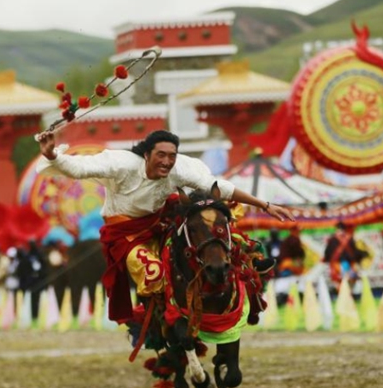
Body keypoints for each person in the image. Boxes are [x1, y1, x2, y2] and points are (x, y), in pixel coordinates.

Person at [37, 129, 293, 323]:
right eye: (161, 155)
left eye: (172, 156)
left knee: (211, 221)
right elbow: (79, 168)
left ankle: (247, 261)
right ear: (146, 154)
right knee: (153, 274)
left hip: (161, 222)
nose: (167, 161)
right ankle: (159, 319)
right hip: (127, 236)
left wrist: (265, 205)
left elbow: (221, 187)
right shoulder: (121, 164)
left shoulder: (178, 170)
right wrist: (51, 154)